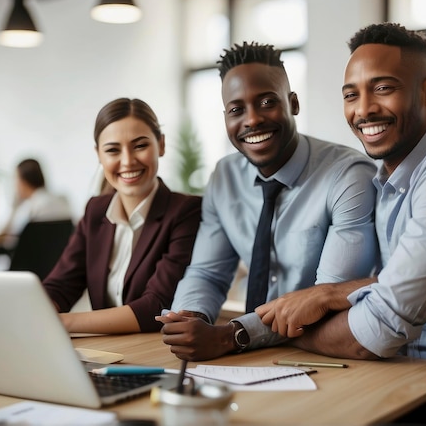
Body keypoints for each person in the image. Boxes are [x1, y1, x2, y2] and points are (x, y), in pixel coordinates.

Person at [256, 23, 426, 423]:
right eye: (351, 95)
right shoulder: (389, 182)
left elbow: (377, 330)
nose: (363, 110)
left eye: (383, 88)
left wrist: (308, 317)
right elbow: (392, 287)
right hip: (406, 377)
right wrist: (332, 293)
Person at [156, 41, 379, 360]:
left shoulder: (347, 175)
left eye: (266, 102)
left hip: (326, 354)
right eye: (236, 110)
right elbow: (207, 273)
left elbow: (325, 298)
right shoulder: (224, 177)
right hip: (252, 353)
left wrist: (232, 335)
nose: (252, 120)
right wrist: (190, 318)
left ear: (293, 103)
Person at [42, 98, 202, 334]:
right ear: (99, 155)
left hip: (154, 351)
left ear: (161, 144)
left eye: (139, 146)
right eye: (112, 150)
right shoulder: (96, 211)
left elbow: (156, 307)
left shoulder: (186, 211)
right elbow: (61, 285)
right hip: (107, 352)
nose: (127, 161)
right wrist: (38, 309)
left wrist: (61, 323)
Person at [3, 158, 72, 236]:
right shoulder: (62, 200)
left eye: (16, 180)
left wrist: (14, 208)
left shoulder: (30, 208)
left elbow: (9, 236)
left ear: (24, 182)